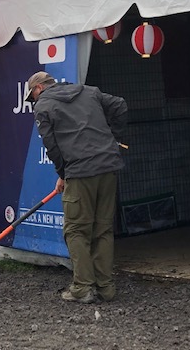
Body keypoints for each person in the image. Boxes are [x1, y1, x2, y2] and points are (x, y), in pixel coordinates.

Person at [25, 71, 127, 303]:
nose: (34, 102)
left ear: (38, 88)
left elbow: (52, 147)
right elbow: (120, 105)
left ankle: (82, 288)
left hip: (80, 172)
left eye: (33, 96)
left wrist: (63, 173)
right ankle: (106, 288)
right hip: (108, 166)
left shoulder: (43, 107)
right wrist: (114, 139)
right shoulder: (89, 92)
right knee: (102, 228)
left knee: (75, 230)